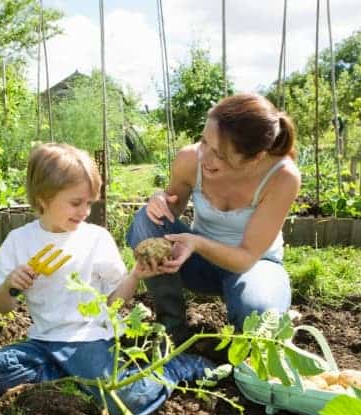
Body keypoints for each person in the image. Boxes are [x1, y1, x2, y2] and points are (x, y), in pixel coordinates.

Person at [0, 143, 214, 415]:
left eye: (89, 202)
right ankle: (71, 377)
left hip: (88, 338)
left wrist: (135, 275)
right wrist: (10, 285)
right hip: (43, 342)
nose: (85, 211)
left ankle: (174, 368)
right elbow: (2, 307)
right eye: (76, 203)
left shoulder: (95, 239)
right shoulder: (19, 242)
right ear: (43, 198)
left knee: (126, 403)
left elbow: (115, 302)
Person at [127, 93, 301, 344]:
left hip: (254, 266)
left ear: (256, 157)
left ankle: (244, 339)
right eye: (204, 142)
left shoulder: (282, 177)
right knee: (146, 220)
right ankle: (171, 326)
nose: (205, 157)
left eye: (220, 154)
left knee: (260, 316)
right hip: (196, 263)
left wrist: (196, 243)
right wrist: (159, 201)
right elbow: (171, 207)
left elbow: (246, 258)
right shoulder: (190, 159)